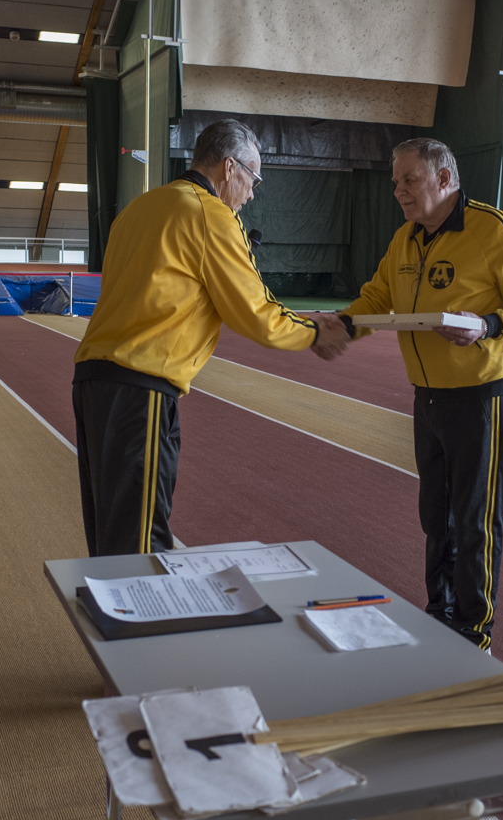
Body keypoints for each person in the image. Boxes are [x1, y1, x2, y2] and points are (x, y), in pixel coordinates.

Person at [73, 119, 348, 556]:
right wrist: (314, 332)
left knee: (112, 534)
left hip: (94, 379)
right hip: (141, 385)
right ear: (229, 167)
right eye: (253, 178)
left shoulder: (141, 207)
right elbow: (256, 314)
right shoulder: (210, 214)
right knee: (140, 545)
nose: (251, 194)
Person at [339, 138, 503, 651]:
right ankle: (441, 614)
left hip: (481, 397)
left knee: (476, 518)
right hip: (428, 397)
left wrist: (487, 325)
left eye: (409, 180)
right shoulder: (405, 239)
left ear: (443, 178)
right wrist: (340, 325)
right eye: (396, 182)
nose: (399, 191)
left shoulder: (491, 229)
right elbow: (379, 297)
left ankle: (475, 631)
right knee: (437, 517)